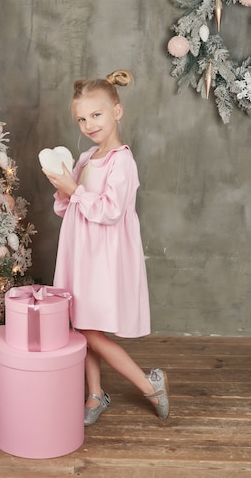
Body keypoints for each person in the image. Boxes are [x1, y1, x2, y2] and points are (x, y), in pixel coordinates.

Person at [42, 69, 169, 426]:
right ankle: (95, 393)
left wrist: (74, 189)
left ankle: (150, 385)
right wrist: (63, 184)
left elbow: (110, 211)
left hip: (103, 255)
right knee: (82, 324)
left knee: (91, 331)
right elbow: (66, 207)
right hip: (80, 252)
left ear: (117, 111)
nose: (88, 124)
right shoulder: (87, 159)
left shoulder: (122, 162)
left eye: (96, 115)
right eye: (81, 118)